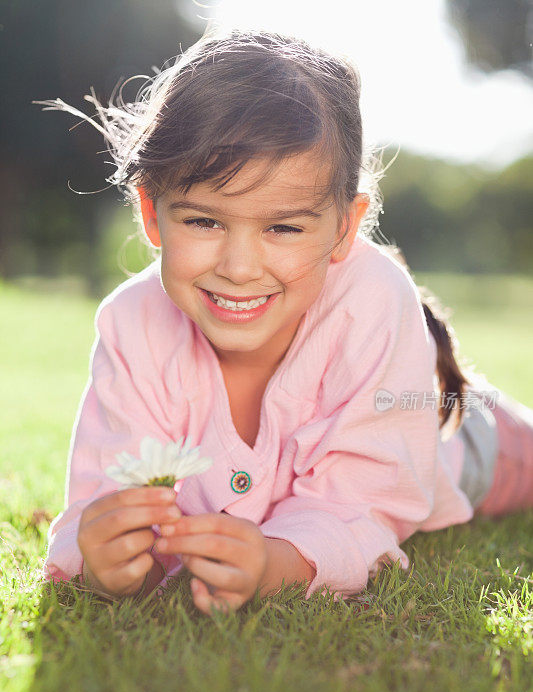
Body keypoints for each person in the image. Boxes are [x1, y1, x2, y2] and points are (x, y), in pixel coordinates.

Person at [37, 29, 533, 616]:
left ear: (345, 227)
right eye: (203, 221)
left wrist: (278, 563)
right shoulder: (131, 324)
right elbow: (104, 495)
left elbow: (367, 501)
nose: (240, 268)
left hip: (450, 439)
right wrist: (103, 552)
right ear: (152, 213)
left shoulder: (371, 301)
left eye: (284, 228)